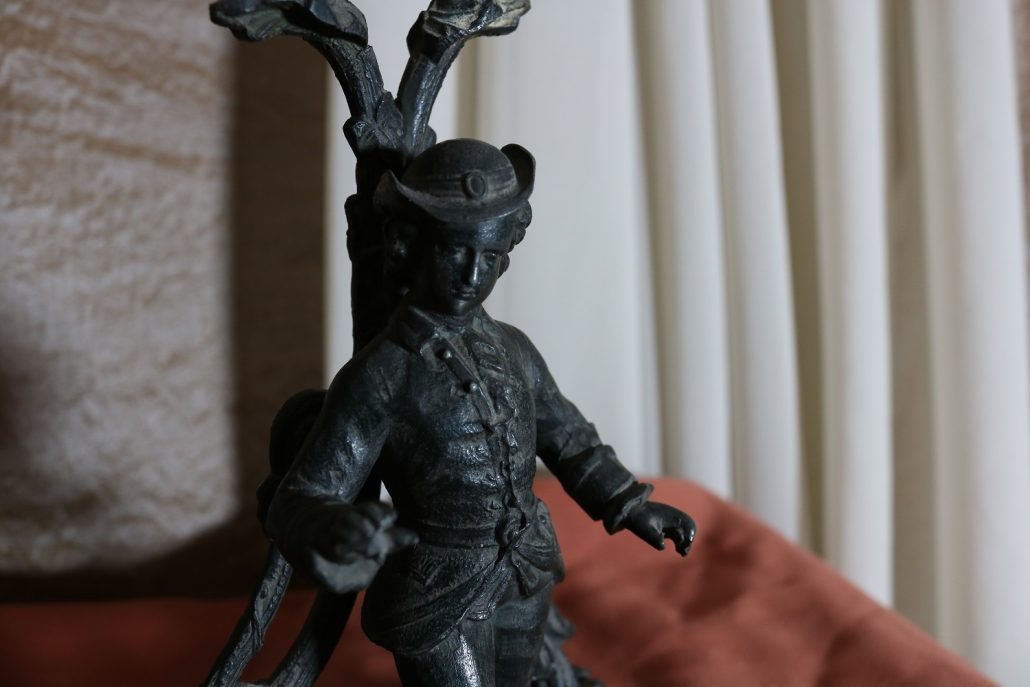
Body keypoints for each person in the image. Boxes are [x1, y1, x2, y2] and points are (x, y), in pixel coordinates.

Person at [264, 138, 695, 687]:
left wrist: (632, 505)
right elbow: (299, 498)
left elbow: (569, 438)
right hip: (436, 595)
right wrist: (336, 526)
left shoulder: (514, 349)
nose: (472, 273)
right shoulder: (381, 375)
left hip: (525, 571)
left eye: (489, 257)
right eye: (455, 250)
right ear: (409, 244)